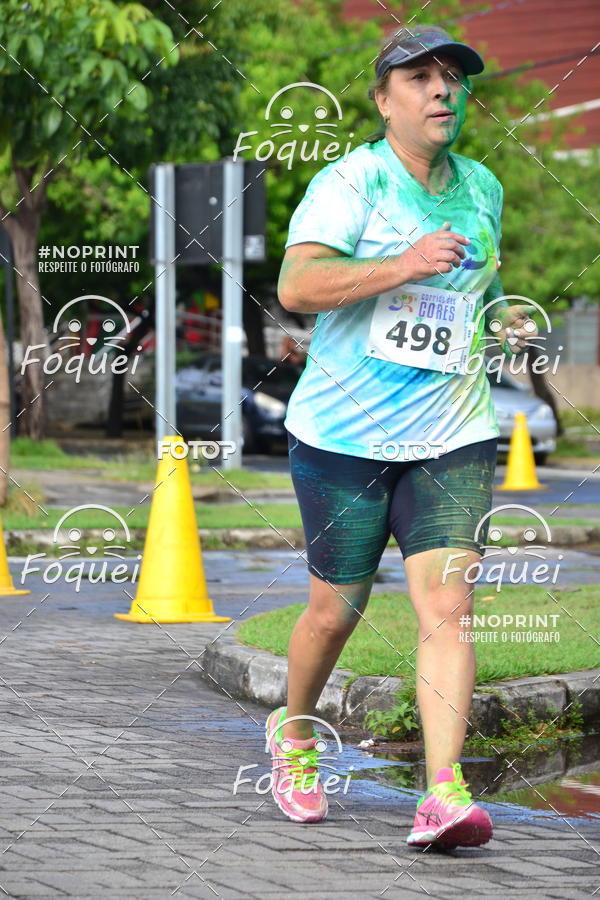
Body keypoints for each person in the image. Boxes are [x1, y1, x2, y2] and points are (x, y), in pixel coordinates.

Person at [266, 24, 537, 847]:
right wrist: (404, 264)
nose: (442, 90)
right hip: (344, 433)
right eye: (419, 78)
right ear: (384, 99)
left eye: (451, 77)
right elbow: (298, 286)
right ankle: (295, 733)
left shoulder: (483, 187)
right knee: (334, 611)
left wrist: (504, 316)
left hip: (452, 432)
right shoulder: (350, 184)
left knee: (449, 606)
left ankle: (443, 794)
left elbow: (472, 287)